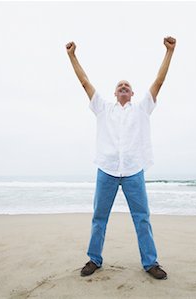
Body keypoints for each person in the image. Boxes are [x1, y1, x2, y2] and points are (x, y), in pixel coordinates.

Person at [66, 36, 176, 280]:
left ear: (133, 93)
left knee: (142, 218)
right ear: (115, 93)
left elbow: (159, 81)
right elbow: (84, 83)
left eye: (127, 85)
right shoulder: (103, 108)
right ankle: (94, 259)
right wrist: (72, 56)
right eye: (119, 86)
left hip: (134, 172)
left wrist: (169, 52)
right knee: (99, 217)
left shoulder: (142, 109)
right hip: (106, 170)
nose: (123, 87)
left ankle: (150, 263)